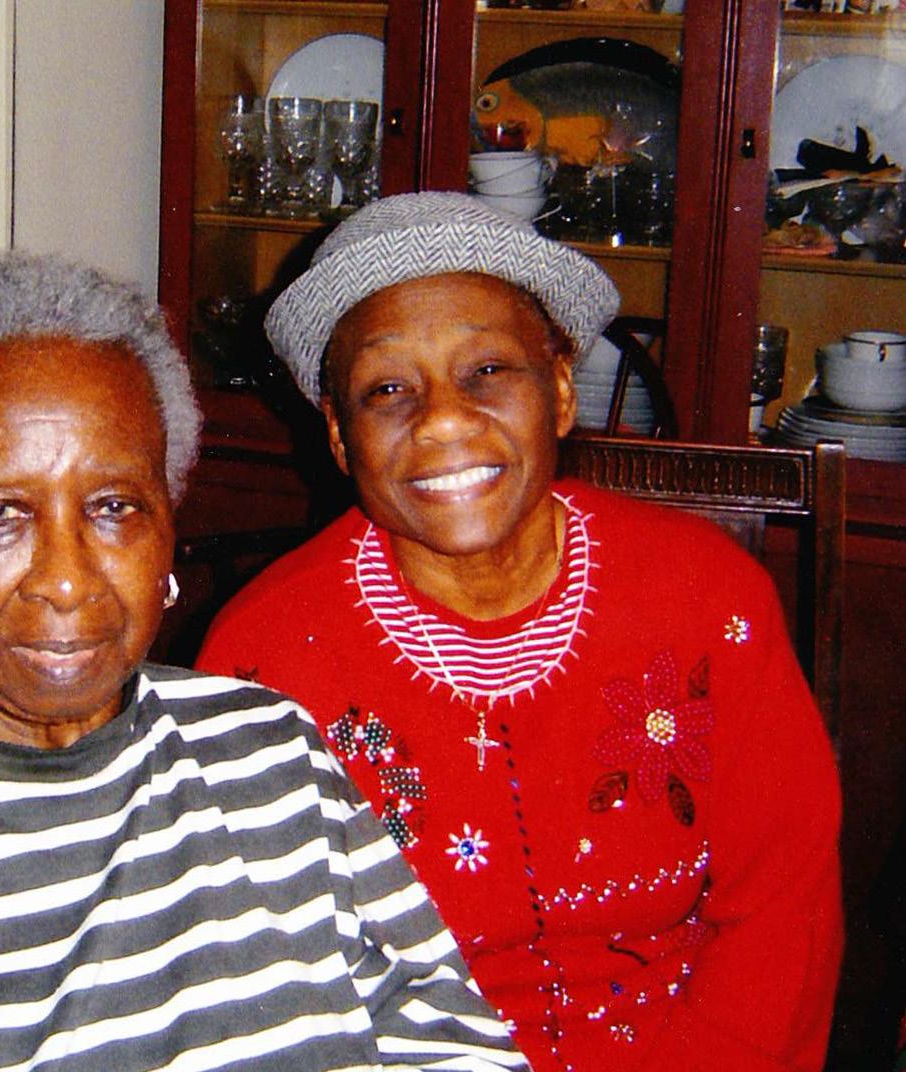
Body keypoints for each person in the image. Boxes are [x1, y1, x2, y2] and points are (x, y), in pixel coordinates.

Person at [0, 251, 529, 1072]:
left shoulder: (268, 751)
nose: (66, 580)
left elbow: (443, 1035)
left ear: (169, 515)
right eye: (0, 512)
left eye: (114, 507)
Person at [197, 192, 843, 1072]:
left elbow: (782, 910)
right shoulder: (260, 661)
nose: (442, 419)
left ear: (562, 392)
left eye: (487, 370)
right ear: (340, 439)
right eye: (386, 390)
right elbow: (271, 979)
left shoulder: (709, 597)